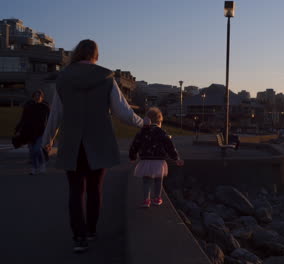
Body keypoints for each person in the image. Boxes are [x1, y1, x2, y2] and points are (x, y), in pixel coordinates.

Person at [42, 39, 143, 253]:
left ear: (77, 53)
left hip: (71, 142)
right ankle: (91, 230)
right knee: (95, 190)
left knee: (75, 191)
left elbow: (56, 114)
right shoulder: (106, 78)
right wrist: (144, 123)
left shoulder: (63, 78)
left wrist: (47, 140)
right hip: (99, 141)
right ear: (95, 55)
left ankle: (78, 237)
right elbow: (122, 112)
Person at [129, 107, 184, 208]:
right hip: (159, 161)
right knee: (158, 180)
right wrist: (176, 158)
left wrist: (132, 156)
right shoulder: (162, 133)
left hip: (145, 160)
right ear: (159, 121)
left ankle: (146, 200)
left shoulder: (142, 132)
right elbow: (170, 147)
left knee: (146, 180)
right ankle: (157, 198)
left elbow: (135, 144)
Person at [15, 90, 50, 175]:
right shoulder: (28, 106)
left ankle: (42, 164)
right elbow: (23, 118)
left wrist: (50, 132)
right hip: (29, 132)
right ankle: (34, 168)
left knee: (37, 149)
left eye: (39, 96)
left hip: (41, 132)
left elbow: (50, 120)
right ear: (33, 97)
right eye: (36, 95)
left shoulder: (45, 107)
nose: (37, 97)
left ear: (42, 97)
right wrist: (18, 130)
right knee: (32, 151)